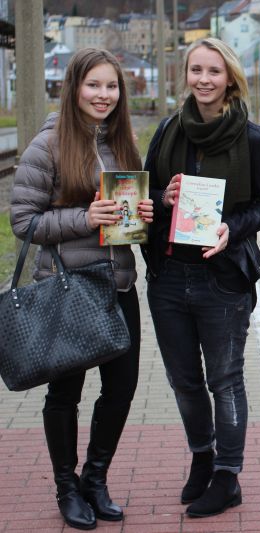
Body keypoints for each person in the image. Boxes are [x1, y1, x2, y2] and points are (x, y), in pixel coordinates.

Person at [10, 48, 153, 530]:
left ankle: (96, 478)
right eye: (94, 85)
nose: (103, 95)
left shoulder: (122, 142)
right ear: (73, 87)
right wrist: (84, 218)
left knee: (123, 387)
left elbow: (125, 221)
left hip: (117, 285)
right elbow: (23, 221)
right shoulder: (47, 145)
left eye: (111, 86)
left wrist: (143, 217)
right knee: (64, 393)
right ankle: (66, 489)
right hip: (67, 288)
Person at [142, 37, 260, 518]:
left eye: (214, 72)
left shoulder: (254, 139)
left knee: (225, 380)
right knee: (184, 381)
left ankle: (228, 476)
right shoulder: (167, 131)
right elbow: (146, 192)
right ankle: (202, 460)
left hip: (223, 278)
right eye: (196, 70)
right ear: (186, 74)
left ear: (230, 79)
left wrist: (231, 228)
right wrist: (164, 197)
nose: (204, 80)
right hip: (168, 277)